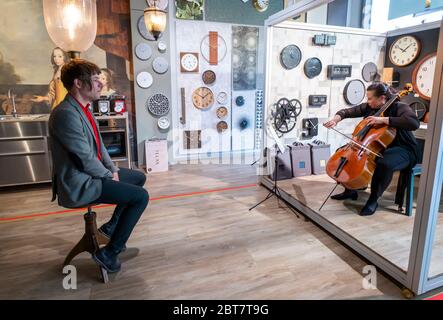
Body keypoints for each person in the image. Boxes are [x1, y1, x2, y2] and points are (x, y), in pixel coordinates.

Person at [49, 59, 149, 273]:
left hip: (91, 174)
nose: (101, 84)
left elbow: (100, 147)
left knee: (138, 178)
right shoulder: (65, 113)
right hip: (80, 182)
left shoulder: (83, 108)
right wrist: (106, 175)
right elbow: (85, 158)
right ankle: (109, 253)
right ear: (78, 83)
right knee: (141, 197)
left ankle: (111, 229)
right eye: (95, 80)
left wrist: (112, 170)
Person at [323, 83, 420, 216]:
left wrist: (384, 120)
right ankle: (350, 189)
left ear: (382, 98)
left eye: (370, 98)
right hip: (379, 147)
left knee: (384, 163)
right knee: (342, 153)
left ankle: (373, 200)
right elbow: (346, 112)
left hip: (404, 149)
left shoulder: (399, 107)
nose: (367, 102)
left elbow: (413, 123)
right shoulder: (370, 107)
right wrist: (335, 120)